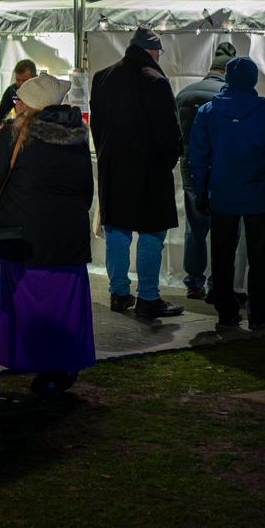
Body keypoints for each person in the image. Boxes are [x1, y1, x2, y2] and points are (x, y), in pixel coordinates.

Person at [0, 72, 98, 396]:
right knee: (62, 307)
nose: (14, 103)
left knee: (31, 309)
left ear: (31, 104)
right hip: (68, 240)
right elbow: (86, 190)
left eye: (18, 98)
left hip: (25, 238)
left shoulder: (17, 132)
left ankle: (43, 368)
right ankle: (60, 368)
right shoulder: (77, 134)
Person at [188, 57, 265, 332]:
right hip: (258, 196)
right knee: (259, 258)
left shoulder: (208, 112)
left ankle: (226, 312)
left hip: (222, 194)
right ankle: (258, 315)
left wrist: (201, 190)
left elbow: (197, 157)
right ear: (253, 80)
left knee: (221, 256)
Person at [91, 27, 186, 320]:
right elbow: (169, 134)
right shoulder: (155, 81)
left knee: (117, 230)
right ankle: (148, 297)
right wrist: (168, 160)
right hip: (149, 170)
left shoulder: (102, 77)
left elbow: (96, 126)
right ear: (153, 51)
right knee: (151, 232)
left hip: (113, 167)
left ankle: (119, 293)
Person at [173, 41, 235, 301]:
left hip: (191, 170)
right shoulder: (229, 95)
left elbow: (174, 135)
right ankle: (216, 283)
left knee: (195, 229)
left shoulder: (185, 94)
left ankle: (193, 282)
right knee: (223, 231)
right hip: (223, 172)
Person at [0, 58, 37, 125]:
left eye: (24, 80)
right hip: (21, 128)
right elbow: (1, 112)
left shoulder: (42, 91)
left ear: (34, 78)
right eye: (18, 79)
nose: (20, 83)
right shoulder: (12, 91)